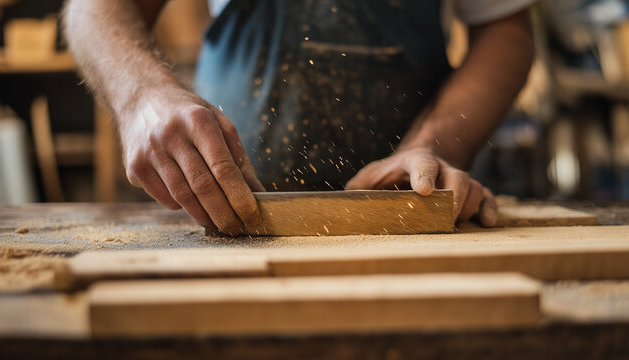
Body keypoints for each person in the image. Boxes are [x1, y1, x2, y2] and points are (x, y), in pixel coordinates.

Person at [63, 0, 535, 235]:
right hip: (224, 211)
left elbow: (504, 31)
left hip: (413, 209)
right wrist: (143, 97)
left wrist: (432, 145)